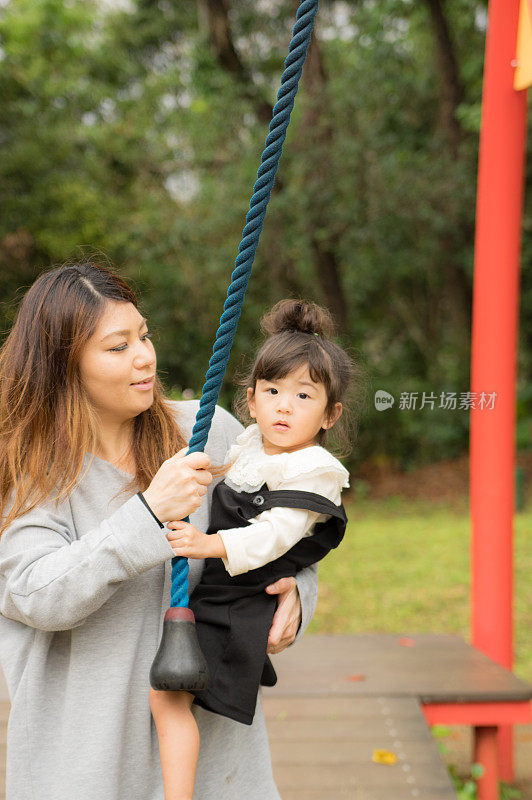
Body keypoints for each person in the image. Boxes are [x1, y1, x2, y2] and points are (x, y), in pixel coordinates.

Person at [0, 261, 319, 800]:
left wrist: (300, 594)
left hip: (217, 762)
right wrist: (148, 514)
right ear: (63, 366)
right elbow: (33, 595)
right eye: (117, 346)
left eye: (143, 335)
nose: (145, 356)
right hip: (85, 766)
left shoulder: (209, 434)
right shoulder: (31, 474)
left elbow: (291, 527)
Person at [149, 299, 354, 800]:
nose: (284, 405)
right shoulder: (249, 446)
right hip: (222, 597)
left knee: (168, 697)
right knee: (172, 696)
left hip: (240, 602)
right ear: (252, 399)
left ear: (331, 415)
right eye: (273, 391)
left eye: (304, 395)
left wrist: (205, 543)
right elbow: (227, 479)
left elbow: (273, 536)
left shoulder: (314, 472)